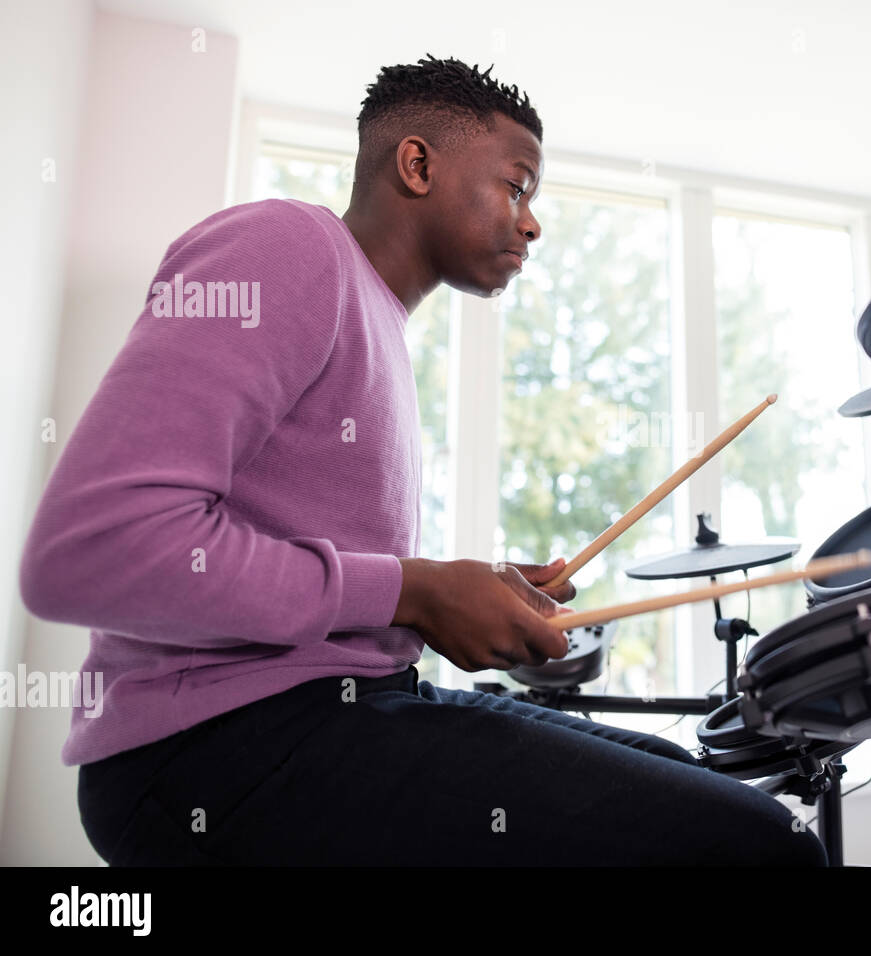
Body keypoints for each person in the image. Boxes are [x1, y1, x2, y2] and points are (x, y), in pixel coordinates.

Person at [19, 55, 827, 866]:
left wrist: (447, 594)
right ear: (417, 164)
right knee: (762, 847)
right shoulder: (291, 246)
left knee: (700, 786)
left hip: (345, 709)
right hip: (214, 752)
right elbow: (92, 547)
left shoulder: (376, 320)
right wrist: (416, 590)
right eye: (518, 186)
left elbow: (329, 577)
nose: (533, 222)